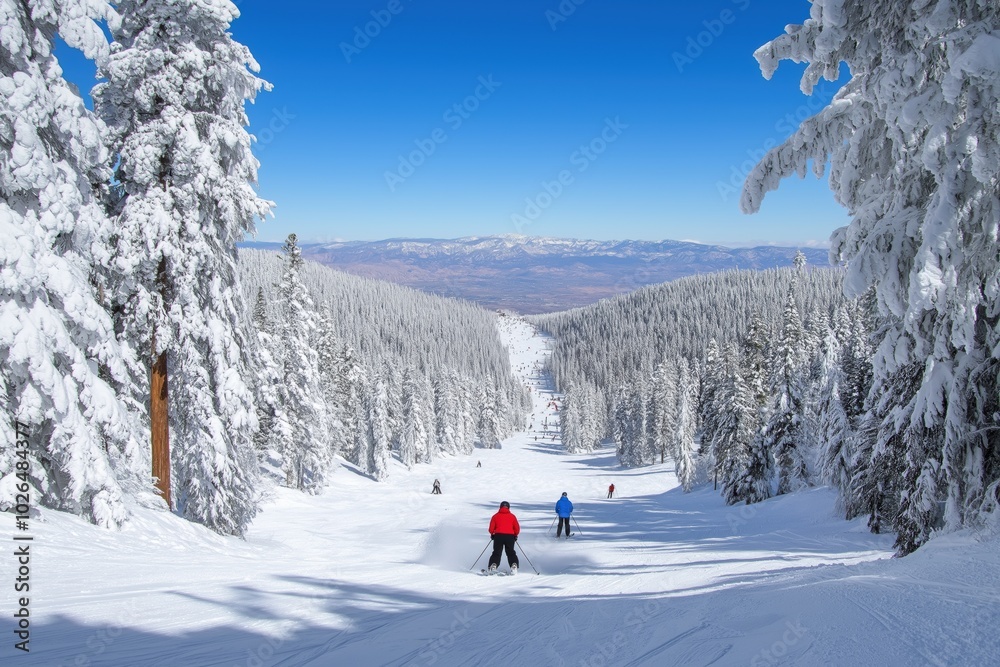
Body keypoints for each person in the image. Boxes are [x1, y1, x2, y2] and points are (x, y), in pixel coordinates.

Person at [487, 501, 520, 574]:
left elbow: (491, 529)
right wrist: (515, 535)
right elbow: (517, 528)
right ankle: (514, 565)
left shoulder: (495, 516)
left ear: (500, 507)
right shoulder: (512, 516)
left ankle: (493, 565)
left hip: (498, 536)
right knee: (510, 552)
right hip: (510, 537)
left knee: (496, 552)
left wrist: (493, 534)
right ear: (508, 507)